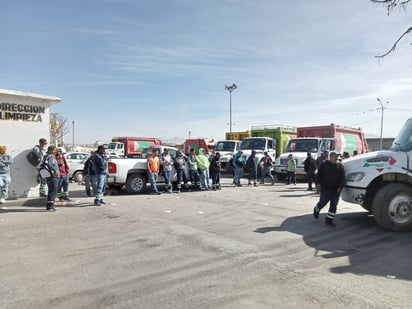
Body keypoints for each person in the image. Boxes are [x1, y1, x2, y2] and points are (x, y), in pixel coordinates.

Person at [313, 151, 345, 227]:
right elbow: (318, 175)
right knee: (322, 202)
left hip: (336, 190)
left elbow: (342, 178)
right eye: (335, 156)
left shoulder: (340, 166)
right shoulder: (324, 165)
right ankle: (316, 210)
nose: (337, 158)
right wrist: (317, 183)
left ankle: (329, 220)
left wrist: (340, 187)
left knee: (333, 206)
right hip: (325, 189)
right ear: (330, 157)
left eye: (337, 157)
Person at [43, 146, 60, 212]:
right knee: (53, 191)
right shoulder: (51, 157)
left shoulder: (47, 156)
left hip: (50, 176)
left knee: (51, 190)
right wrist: (54, 171)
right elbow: (50, 165)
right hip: (53, 176)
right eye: (54, 150)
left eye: (55, 150)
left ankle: (49, 205)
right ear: (50, 150)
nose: (55, 151)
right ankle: (51, 206)